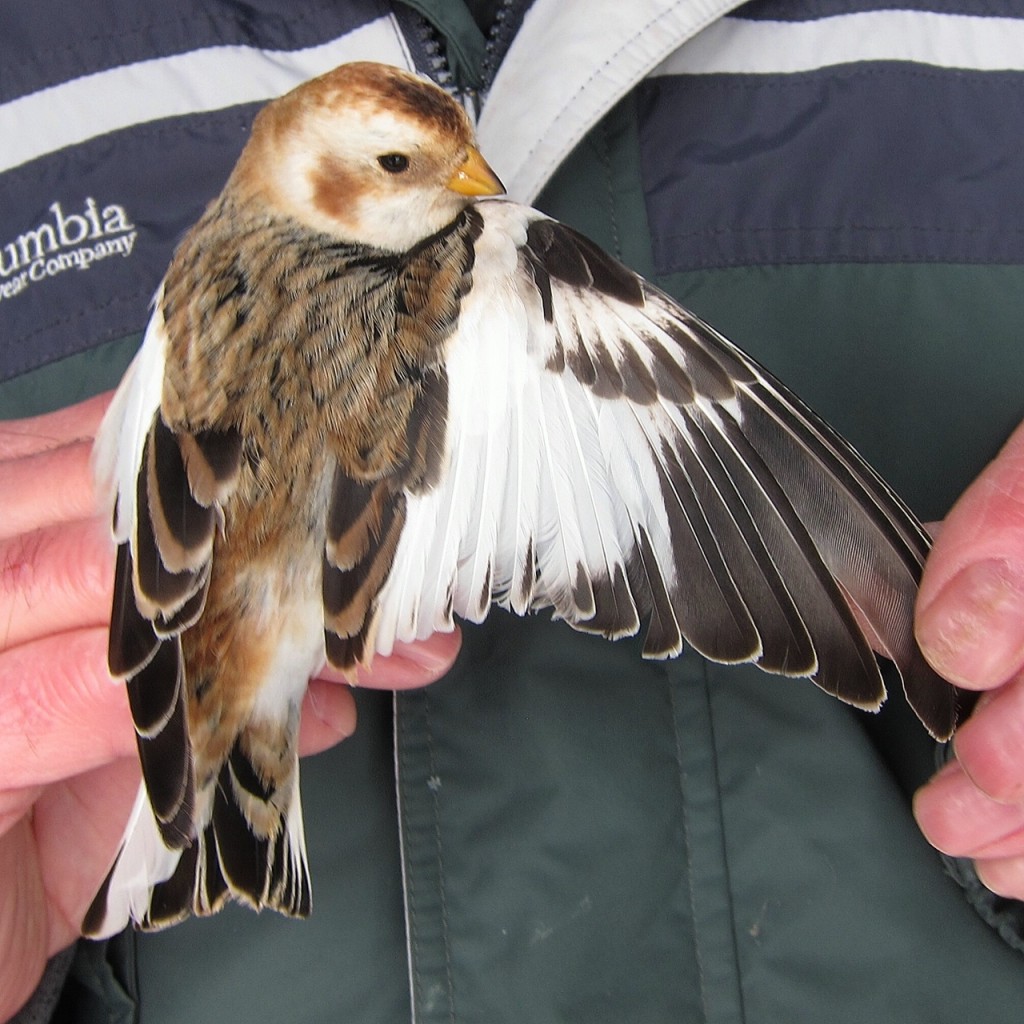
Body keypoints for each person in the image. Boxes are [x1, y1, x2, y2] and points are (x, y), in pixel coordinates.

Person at [3, 1, 1024, 1021]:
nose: (472, 184)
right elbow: (672, 415)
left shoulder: (205, 275)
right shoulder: (484, 269)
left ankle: (213, 816)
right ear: (319, 179)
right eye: (408, 167)